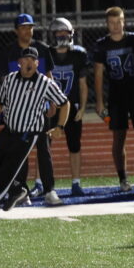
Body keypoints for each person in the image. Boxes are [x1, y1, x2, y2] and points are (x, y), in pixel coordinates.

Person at [0, 47, 70, 223]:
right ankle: (18, 189)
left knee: (8, 171)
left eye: (31, 60)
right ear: (19, 62)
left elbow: (64, 103)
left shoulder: (44, 83)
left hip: (28, 134)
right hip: (8, 130)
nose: (28, 63)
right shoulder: (10, 79)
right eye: (25, 59)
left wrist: (60, 126)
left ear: (37, 63)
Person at [1, 14, 59, 204]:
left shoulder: (42, 48)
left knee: (44, 149)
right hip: (18, 110)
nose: (27, 31)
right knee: (19, 151)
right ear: (16, 30)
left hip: (39, 108)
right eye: (23, 27)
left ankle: (49, 190)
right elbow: (4, 81)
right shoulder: (8, 51)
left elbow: (48, 75)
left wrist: (52, 101)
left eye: (30, 27)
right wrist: (6, 105)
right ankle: (22, 190)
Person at [93, 7, 134, 192]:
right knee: (119, 138)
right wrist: (99, 101)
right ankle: (123, 179)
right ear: (106, 24)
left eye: (119, 22)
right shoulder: (102, 44)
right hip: (116, 95)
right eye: (112, 22)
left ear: (124, 22)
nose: (116, 26)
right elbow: (98, 74)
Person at [48, 18, 90, 197]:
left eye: (65, 32)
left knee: (75, 146)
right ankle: (41, 182)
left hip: (71, 105)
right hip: (51, 106)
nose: (62, 36)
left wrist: (83, 108)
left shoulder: (79, 54)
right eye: (59, 33)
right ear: (53, 35)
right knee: (44, 146)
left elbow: (82, 84)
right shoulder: (47, 54)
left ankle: (76, 182)